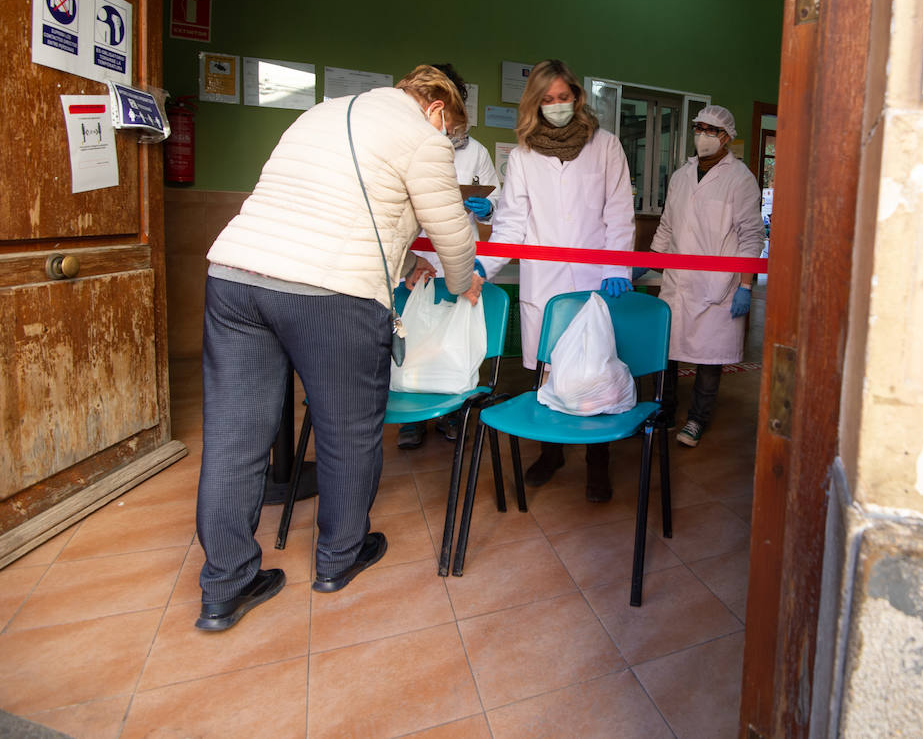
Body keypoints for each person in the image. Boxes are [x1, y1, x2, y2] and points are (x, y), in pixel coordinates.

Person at [193, 65, 482, 631]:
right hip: (331, 296)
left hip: (236, 276)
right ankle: (338, 557)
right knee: (347, 430)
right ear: (440, 110)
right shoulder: (423, 135)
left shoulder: (318, 114)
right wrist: (458, 278)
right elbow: (452, 231)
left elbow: (338, 210)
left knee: (233, 439)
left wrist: (404, 262)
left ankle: (224, 587)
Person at [476, 58, 634, 502]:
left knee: (594, 373)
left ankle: (597, 463)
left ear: (577, 98)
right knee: (547, 375)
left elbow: (619, 214)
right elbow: (510, 224)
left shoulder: (605, 146)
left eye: (563, 98)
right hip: (544, 284)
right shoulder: (524, 154)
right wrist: (480, 268)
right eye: (547, 100)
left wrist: (616, 268)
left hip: (595, 281)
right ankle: (552, 452)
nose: (557, 106)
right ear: (534, 104)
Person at [642, 104, 764, 447]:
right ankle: (664, 411)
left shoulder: (740, 179)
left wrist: (745, 285)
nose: (703, 136)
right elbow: (667, 224)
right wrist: (650, 259)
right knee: (665, 351)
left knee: (709, 358)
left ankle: (697, 418)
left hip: (718, 284)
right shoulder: (682, 175)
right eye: (700, 128)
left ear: (726, 137)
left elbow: (751, 235)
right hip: (678, 280)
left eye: (711, 130)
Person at [395, 63, 501, 449]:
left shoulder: (477, 152)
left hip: (460, 256)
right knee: (416, 334)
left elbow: (497, 203)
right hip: (418, 258)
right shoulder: (408, 143)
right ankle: (412, 419)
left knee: (458, 336)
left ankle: (454, 411)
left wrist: (486, 208)